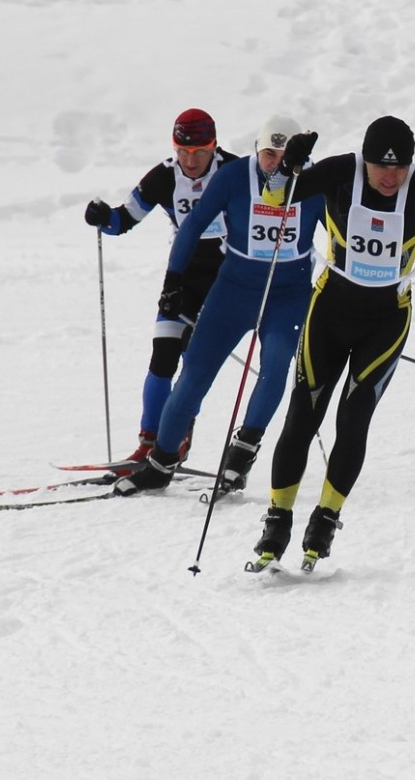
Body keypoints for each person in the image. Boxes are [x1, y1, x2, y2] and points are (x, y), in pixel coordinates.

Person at [248, 116, 415, 568]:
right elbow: (272, 195)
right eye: (381, 166)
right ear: (365, 159)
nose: (389, 176)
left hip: (386, 320)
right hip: (329, 311)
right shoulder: (341, 171)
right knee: (304, 411)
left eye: (399, 168)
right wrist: (292, 165)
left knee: (355, 417)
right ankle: (277, 519)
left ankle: (325, 519)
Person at [116, 116, 326, 496]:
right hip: (234, 289)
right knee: (195, 370)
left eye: (283, 155)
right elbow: (193, 225)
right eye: (267, 154)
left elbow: (345, 234)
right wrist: (173, 280)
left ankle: (241, 455)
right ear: (256, 150)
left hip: (287, 294)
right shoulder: (233, 176)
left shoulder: (317, 182)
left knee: (276, 365)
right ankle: (161, 461)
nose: (275, 164)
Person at [83, 108, 235, 461]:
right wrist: (104, 217)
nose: (190, 160)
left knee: (193, 362)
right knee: (162, 356)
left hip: (228, 281)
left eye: (199, 152)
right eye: (183, 151)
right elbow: (123, 221)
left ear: (214, 147)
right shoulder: (164, 177)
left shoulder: (234, 171)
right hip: (182, 279)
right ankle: (149, 444)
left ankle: (177, 437)